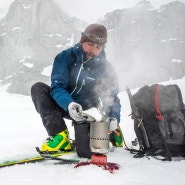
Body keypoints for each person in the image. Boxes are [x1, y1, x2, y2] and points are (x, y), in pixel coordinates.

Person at [31, 24, 122, 159]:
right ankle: (60, 137)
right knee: (38, 88)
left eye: (98, 47)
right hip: (65, 105)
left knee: (89, 148)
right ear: (82, 41)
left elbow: (112, 97)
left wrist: (114, 116)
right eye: (90, 44)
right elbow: (58, 87)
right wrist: (69, 104)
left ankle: (112, 132)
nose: (93, 50)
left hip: (89, 111)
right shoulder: (65, 57)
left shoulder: (106, 68)